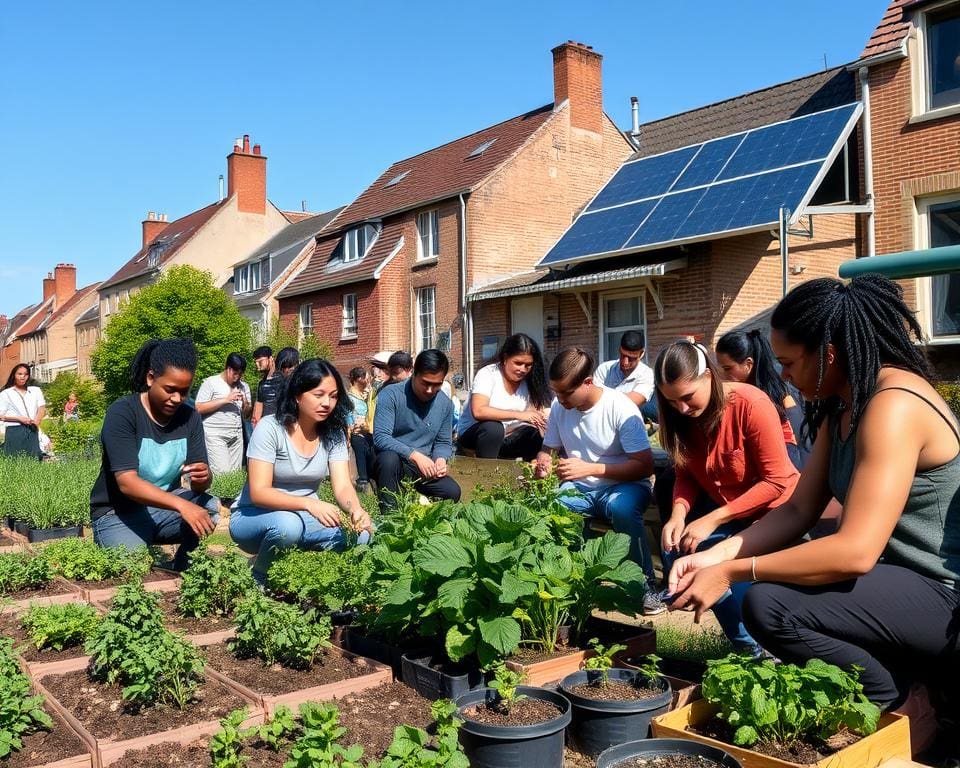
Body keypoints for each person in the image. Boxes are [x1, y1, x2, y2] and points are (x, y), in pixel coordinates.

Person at [667, 276, 960, 724]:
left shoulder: (893, 406)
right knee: (769, 599)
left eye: (787, 363)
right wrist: (713, 556)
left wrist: (731, 572)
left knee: (769, 605)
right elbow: (798, 509)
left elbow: (855, 552)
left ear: (827, 354)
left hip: (942, 596)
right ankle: (909, 686)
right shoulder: (843, 404)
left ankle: (907, 704)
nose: (781, 375)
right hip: (899, 583)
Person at [655, 340, 799, 656]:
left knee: (736, 578)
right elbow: (686, 473)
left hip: (779, 515)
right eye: (671, 401)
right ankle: (747, 645)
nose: (681, 408)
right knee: (682, 552)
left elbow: (776, 482)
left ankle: (769, 646)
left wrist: (714, 518)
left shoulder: (751, 404)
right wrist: (678, 514)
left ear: (708, 376)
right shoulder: (682, 418)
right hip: (735, 514)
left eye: (687, 397)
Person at [535, 348, 665, 615]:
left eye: (566, 393)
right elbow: (548, 448)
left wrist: (590, 468)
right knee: (558, 505)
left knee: (622, 509)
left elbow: (644, 467)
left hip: (625, 486)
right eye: (556, 393)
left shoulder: (619, 407)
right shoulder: (561, 407)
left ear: (588, 382)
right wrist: (543, 463)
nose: (559, 400)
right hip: (582, 488)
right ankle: (573, 581)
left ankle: (643, 584)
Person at [229, 359, 373, 584]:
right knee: (288, 527)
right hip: (253, 517)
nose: (327, 403)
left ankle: (318, 579)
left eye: (333, 396)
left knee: (365, 533)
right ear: (298, 394)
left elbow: (343, 485)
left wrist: (356, 510)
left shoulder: (333, 433)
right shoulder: (271, 428)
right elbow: (259, 492)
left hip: (305, 519)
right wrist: (310, 504)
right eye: (319, 394)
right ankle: (259, 577)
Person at [89, 338, 219, 570]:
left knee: (209, 507)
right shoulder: (124, 413)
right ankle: (132, 541)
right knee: (132, 569)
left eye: (184, 391)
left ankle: (180, 565)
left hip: (160, 510)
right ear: (151, 378)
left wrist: (204, 478)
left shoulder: (190, 418)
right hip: (117, 513)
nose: (177, 398)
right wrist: (182, 506)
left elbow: (200, 487)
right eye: (170, 390)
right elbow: (127, 483)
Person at [373, 349, 461, 510]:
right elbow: (381, 437)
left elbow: (443, 442)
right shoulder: (390, 394)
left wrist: (440, 459)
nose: (430, 390)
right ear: (414, 373)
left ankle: (430, 523)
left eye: (436, 385)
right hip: (395, 462)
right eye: (425, 383)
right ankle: (390, 517)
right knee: (388, 460)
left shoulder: (445, 404)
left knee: (453, 492)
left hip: (424, 469)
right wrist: (414, 455)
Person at [715, 329, 809, 469]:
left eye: (728, 368)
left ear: (748, 364)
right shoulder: (754, 389)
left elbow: (797, 442)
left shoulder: (775, 395)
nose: (722, 376)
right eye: (720, 369)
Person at [456, 333, 551, 460]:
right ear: (505, 358)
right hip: (478, 434)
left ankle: (532, 473)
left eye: (528, 365)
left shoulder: (530, 381)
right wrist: (520, 414)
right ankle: (487, 474)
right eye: (518, 363)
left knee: (535, 435)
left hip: (509, 435)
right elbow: (479, 411)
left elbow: (535, 411)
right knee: (494, 428)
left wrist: (540, 419)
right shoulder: (488, 374)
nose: (523, 369)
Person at [194, 353, 252, 476]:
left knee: (235, 476)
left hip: (236, 436)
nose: (237, 378)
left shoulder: (244, 386)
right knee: (222, 475)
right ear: (228, 369)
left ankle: (231, 496)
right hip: (215, 435)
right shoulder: (211, 383)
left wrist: (246, 403)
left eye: (240, 374)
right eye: (235, 373)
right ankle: (218, 495)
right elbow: (198, 408)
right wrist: (226, 399)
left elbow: (247, 415)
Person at [595, 330, 656, 409]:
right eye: (622, 355)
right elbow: (592, 399)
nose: (625, 362)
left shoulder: (646, 374)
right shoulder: (604, 369)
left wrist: (602, 397)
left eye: (631, 358)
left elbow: (630, 402)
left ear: (642, 354)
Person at [0, 364, 45, 459]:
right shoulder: (6, 394)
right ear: (14, 375)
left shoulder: (35, 391)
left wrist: (36, 422)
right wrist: (19, 419)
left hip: (32, 428)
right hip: (14, 430)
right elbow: (1, 415)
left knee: (34, 459)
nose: (22, 377)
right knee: (14, 459)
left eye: (25, 374)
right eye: (19, 374)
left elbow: (41, 408)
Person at [366, 351, 413, 431]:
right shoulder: (385, 388)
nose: (393, 377)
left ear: (409, 369)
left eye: (396, 372)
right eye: (391, 372)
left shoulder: (414, 388)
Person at [346, 366, 375, 494]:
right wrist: (350, 430)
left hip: (367, 430)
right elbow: (347, 415)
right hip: (357, 432)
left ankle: (369, 480)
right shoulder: (350, 397)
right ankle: (363, 482)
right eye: (366, 378)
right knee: (360, 456)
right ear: (359, 379)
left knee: (370, 455)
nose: (368, 381)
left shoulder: (365, 395)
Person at [258, 347, 300, 422]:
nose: (286, 370)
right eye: (283, 366)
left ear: (297, 365)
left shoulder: (302, 383)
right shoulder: (274, 384)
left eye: (290, 366)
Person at [251, 345, 274, 427]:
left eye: (260, 361)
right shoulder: (261, 383)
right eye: (256, 362)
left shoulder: (283, 379)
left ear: (270, 358)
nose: (257, 365)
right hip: (265, 428)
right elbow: (257, 408)